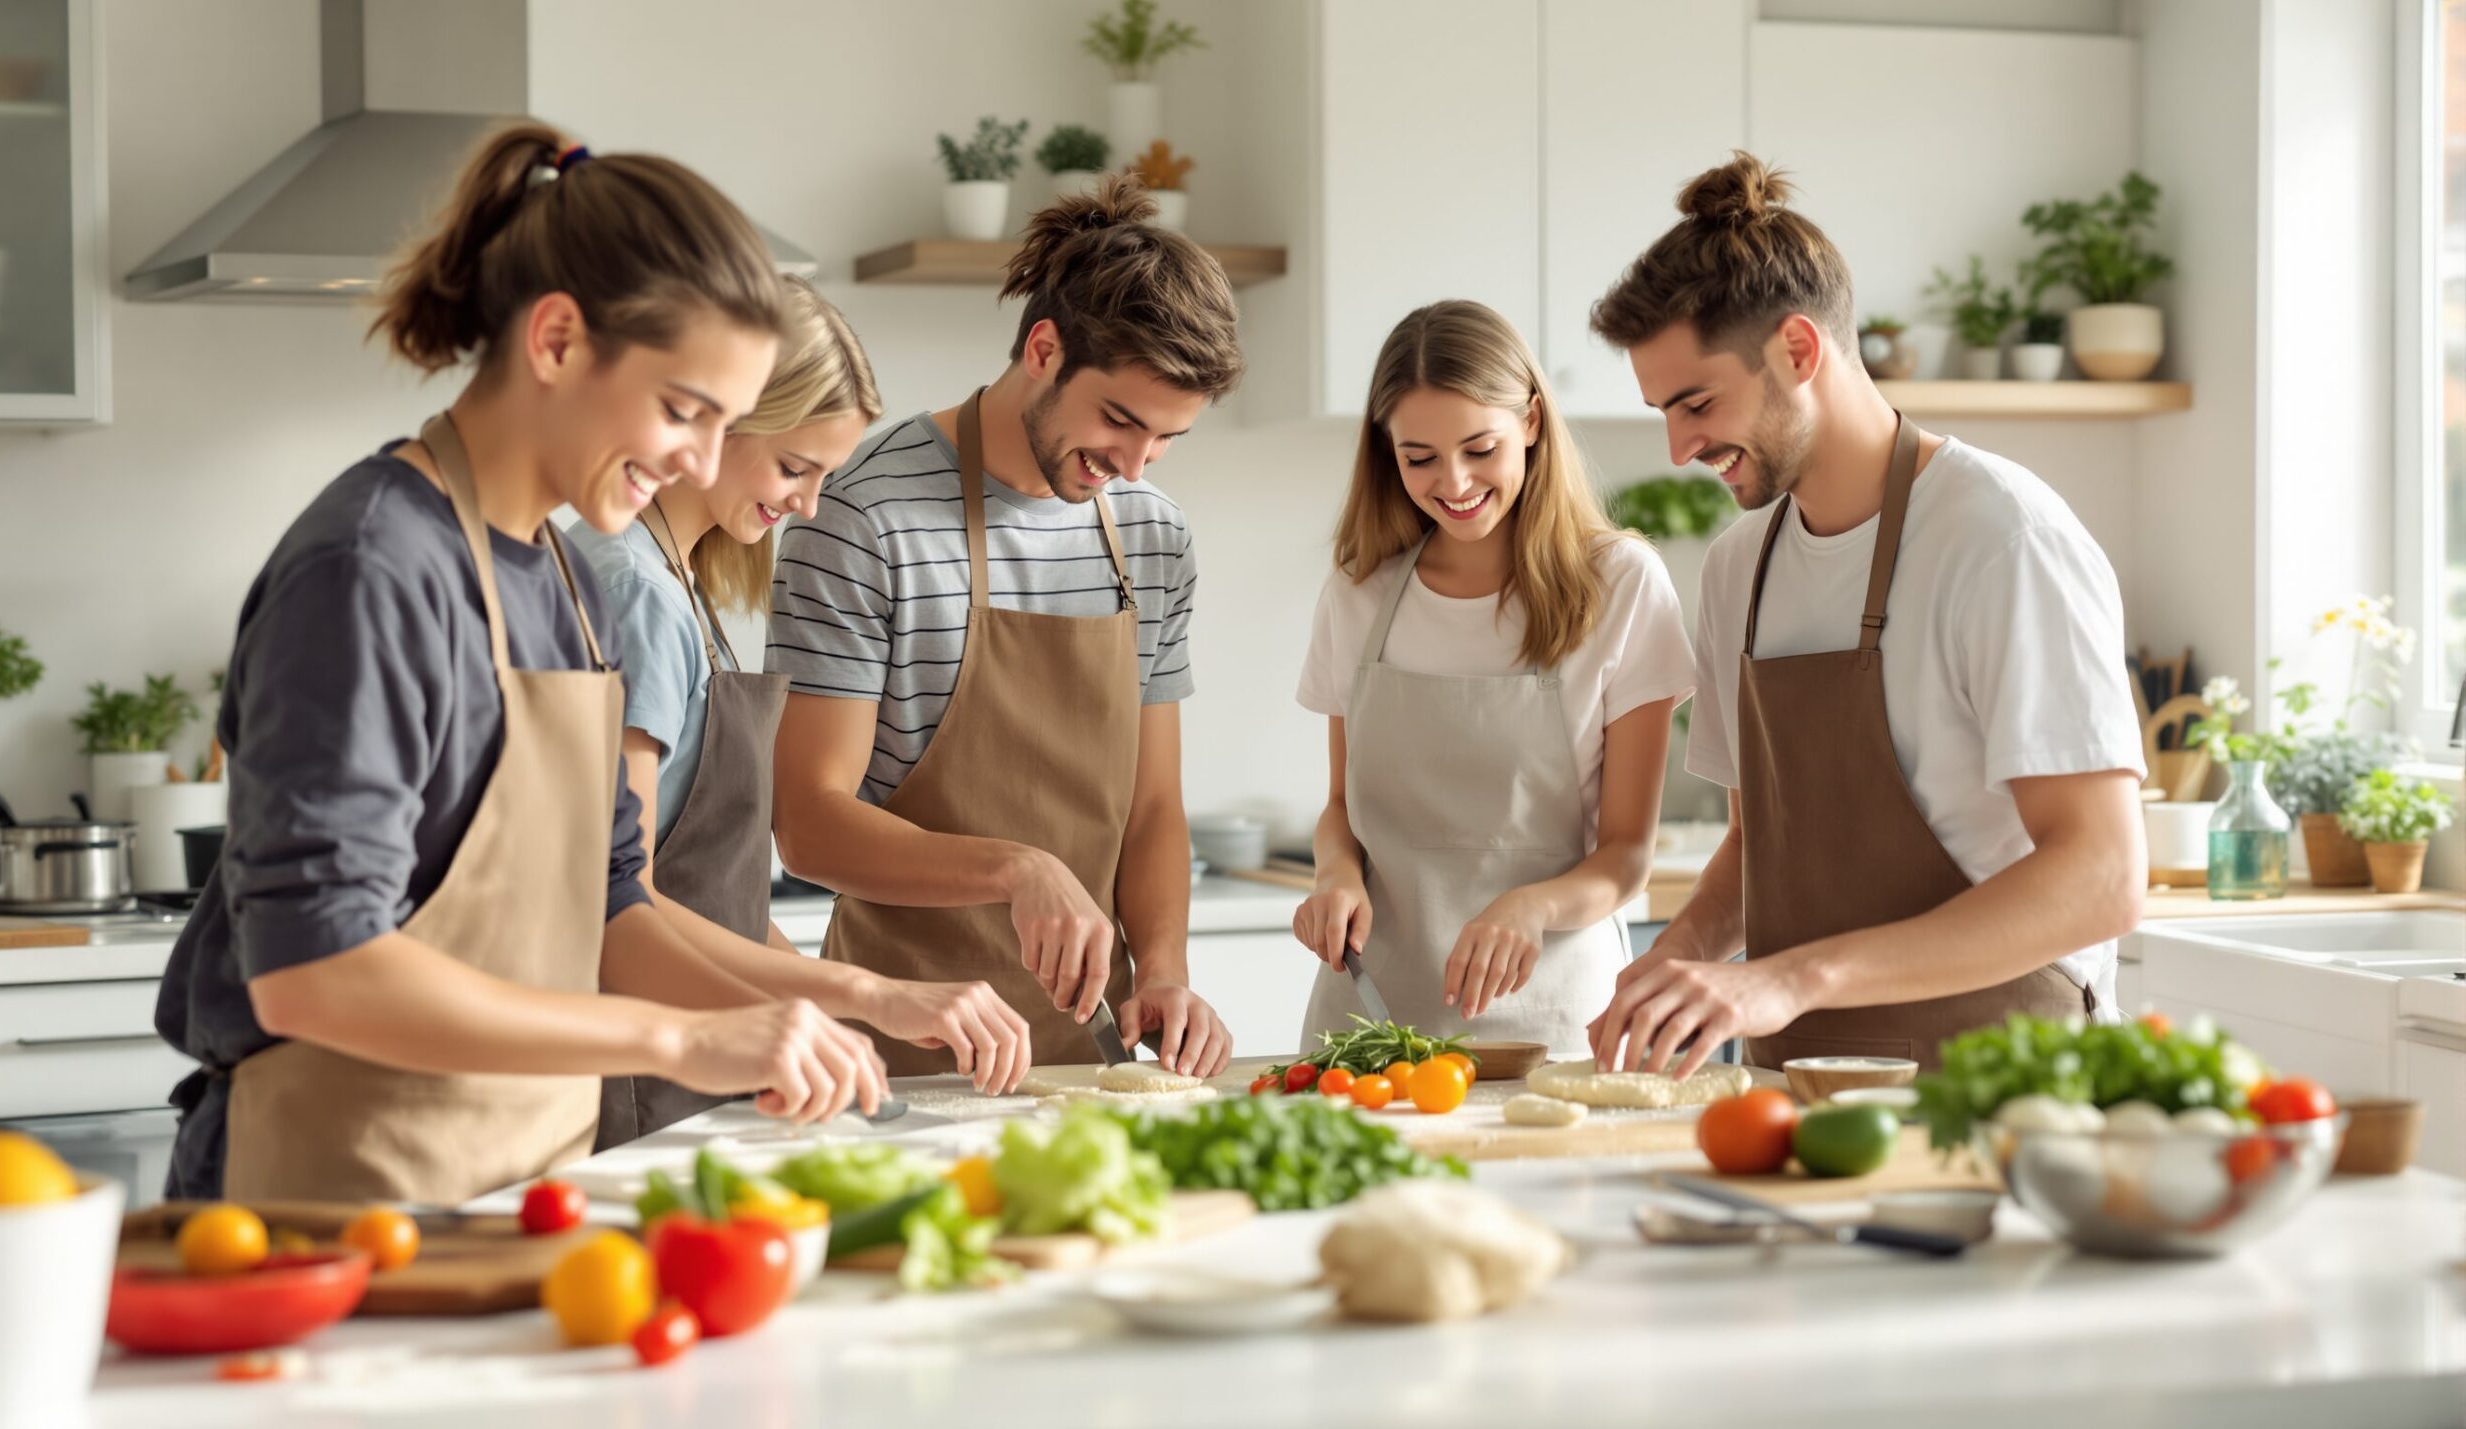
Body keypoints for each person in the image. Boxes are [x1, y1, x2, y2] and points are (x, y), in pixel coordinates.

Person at [155, 124, 886, 1204]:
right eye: (682, 410)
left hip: (512, 1179)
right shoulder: (372, 567)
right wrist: (678, 1040)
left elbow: (613, 903)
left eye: (722, 424)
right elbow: (314, 970)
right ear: (556, 341)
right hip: (327, 1193)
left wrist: (785, 1016)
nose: (697, 458)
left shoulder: (566, 583)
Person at [1585, 153, 2147, 1077]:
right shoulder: (1739, 569)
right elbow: (1757, 847)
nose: (1680, 446)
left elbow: (2102, 878)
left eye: (1697, 403)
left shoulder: (2001, 539)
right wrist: (1671, 965)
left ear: (1798, 351)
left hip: (1999, 1088)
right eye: (1664, 412)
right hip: (1788, 1090)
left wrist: (1793, 978)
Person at [768, 177, 1241, 1076]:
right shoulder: (864, 518)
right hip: (901, 1051)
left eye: (1166, 439)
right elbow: (809, 823)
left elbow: (1152, 807)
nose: (1133, 465)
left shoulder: (1152, 534)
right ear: (1043, 348)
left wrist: (1165, 970)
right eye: (1119, 420)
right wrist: (1017, 868)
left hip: (1090, 1058)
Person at [570, 281, 1032, 1147]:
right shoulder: (634, 594)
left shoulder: (677, 581)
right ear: (719, 423)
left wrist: (850, 1013)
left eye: (824, 476)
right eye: (794, 468)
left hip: (692, 1060)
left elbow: (719, 897)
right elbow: (617, 897)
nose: (808, 506)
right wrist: (866, 993)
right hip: (638, 1070)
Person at [1289, 301, 1692, 1056]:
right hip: (1368, 1021)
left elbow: (1626, 856)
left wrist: (1531, 908)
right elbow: (1341, 808)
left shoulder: (1621, 585)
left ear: (1532, 421)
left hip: (1554, 1024)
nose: (1455, 481)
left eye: (1480, 448)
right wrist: (1335, 874)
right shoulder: (1359, 594)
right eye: (1419, 458)